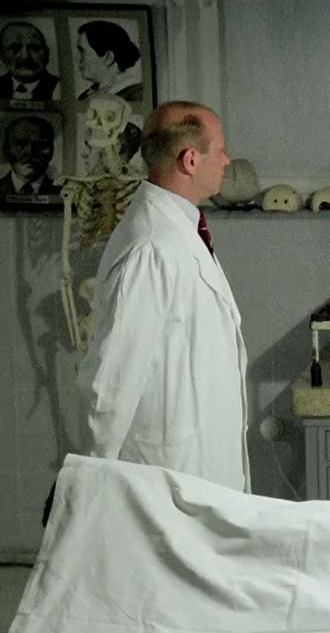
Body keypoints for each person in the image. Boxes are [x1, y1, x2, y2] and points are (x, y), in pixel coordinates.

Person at [77, 100, 248, 493]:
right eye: (220, 150)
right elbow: (112, 378)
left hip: (195, 466)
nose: (227, 161)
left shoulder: (178, 231)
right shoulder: (151, 248)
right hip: (167, 475)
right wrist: (89, 483)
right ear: (191, 160)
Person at [76, 20, 144, 102]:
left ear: (109, 58)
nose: (77, 59)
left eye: (82, 51)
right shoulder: (86, 95)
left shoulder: (136, 96)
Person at [0, 115, 59, 197]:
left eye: (41, 145)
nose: (30, 152)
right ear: (6, 150)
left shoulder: (65, 194)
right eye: (21, 145)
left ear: (51, 152)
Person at [0, 21, 60, 100]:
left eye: (34, 47)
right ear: (2, 56)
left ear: (47, 54)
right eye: (15, 48)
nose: (25, 56)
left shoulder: (59, 87)